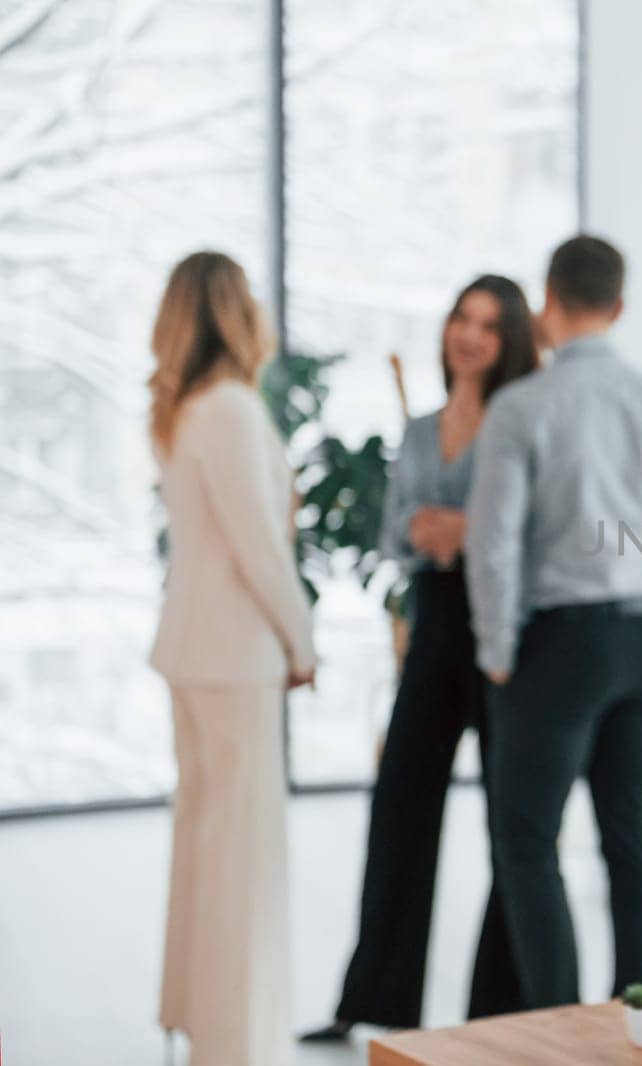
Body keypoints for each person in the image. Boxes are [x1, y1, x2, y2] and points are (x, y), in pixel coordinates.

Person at [465, 235, 642, 1008]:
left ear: (547, 300)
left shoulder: (521, 406)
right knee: (630, 841)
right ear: (619, 306)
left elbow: (493, 542)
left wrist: (497, 649)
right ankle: (633, 1020)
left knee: (529, 845)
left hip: (557, 645)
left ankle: (557, 1028)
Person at [301, 276, 539, 1043]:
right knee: (400, 806)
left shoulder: (525, 422)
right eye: (461, 320)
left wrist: (464, 529)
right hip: (435, 626)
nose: (469, 335)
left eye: (489, 325)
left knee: (514, 825)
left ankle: (496, 1014)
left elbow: (533, 532)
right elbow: (393, 533)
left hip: (506, 632)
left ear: (511, 343)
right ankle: (371, 999)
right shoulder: (418, 429)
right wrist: (434, 530)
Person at [148, 251, 316, 1066]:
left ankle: (202, 1025)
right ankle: (237, 1042)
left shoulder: (183, 410)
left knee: (205, 842)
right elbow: (260, 548)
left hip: (191, 650)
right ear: (235, 312)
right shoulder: (231, 411)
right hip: (235, 656)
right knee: (242, 857)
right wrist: (303, 638)